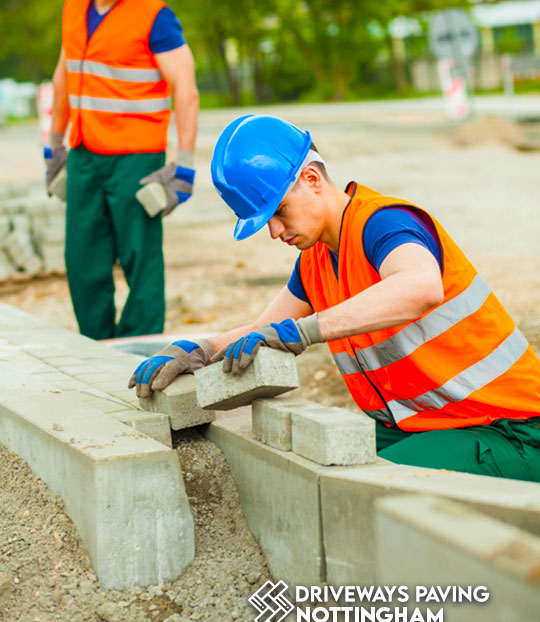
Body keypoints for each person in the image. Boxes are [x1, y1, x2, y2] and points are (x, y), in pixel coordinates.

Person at [129, 114, 540, 481]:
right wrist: (198, 351)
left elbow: (420, 285)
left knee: (378, 492)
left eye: (279, 211)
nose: (274, 231)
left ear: (311, 179)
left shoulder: (385, 223)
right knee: (322, 474)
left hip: (510, 428)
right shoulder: (316, 262)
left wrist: (307, 331)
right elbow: (266, 330)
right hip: (429, 424)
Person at [45, 0, 199, 340]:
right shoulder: (74, 4)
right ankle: (97, 346)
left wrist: (183, 165)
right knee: (82, 258)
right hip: (84, 153)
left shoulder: (155, 16)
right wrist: (54, 145)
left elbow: (185, 89)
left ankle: (138, 351)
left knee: (140, 259)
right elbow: (63, 75)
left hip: (136, 158)